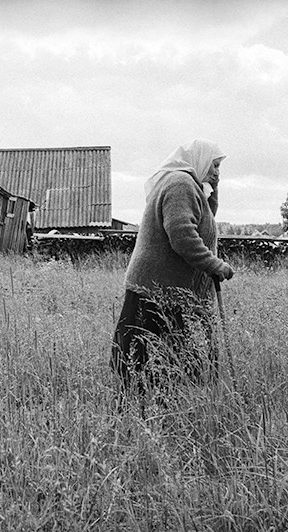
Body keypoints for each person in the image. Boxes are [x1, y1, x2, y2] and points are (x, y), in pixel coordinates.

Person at [111, 139, 234, 394]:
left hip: (166, 290)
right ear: (199, 160)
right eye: (214, 165)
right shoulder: (180, 183)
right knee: (147, 362)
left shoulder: (189, 185)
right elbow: (182, 234)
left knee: (169, 363)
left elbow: (204, 218)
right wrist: (213, 264)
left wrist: (213, 187)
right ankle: (143, 417)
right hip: (156, 291)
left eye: (219, 167)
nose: (217, 172)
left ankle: (163, 411)